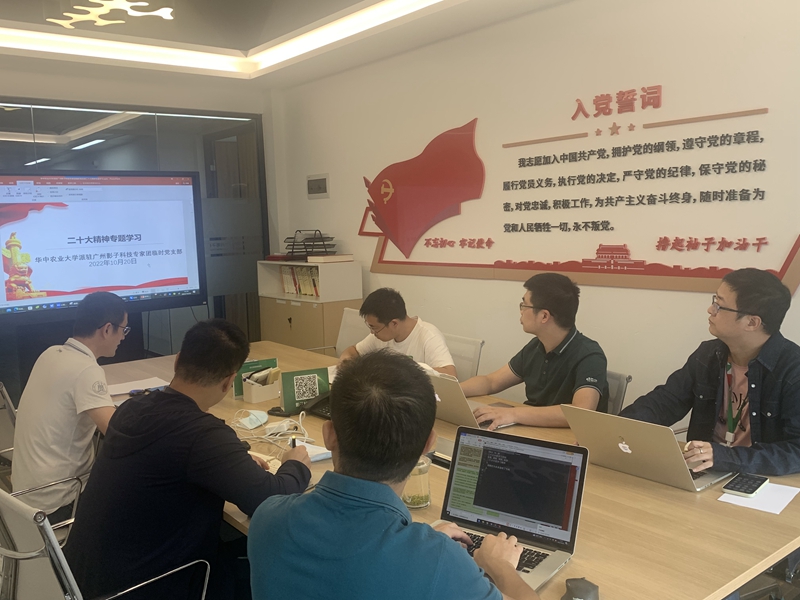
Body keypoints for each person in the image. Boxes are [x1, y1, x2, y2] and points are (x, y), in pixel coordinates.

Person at [248, 350, 539, 600]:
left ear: (328, 435)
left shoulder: (268, 518)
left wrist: (423, 547)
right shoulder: (440, 563)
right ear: (428, 445)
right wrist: (500, 566)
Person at [64, 319, 312, 600]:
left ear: (177, 360)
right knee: (267, 565)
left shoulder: (132, 408)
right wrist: (295, 464)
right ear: (229, 381)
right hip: (148, 586)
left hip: (88, 579)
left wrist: (231, 461)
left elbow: (173, 456)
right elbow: (269, 499)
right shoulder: (202, 435)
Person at [620, 268, 800, 476]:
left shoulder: (793, 370)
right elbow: (664, 403)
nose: (710, 309)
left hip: (758, 478)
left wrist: (726, 457)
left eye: (719, 305)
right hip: (704, 470)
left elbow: (796, 451)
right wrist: (618, 429)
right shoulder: (709, 354)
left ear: (752, 322)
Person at [12, 291, 127, 520]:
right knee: (133, 485)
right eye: (124, 329)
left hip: (23, 496)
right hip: (58, 502)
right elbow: (119, 433)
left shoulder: (50, 353)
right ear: (107, 329)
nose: (123, 337)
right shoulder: (87, 370)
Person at [461, 273, 609, 429]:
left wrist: (513, 414)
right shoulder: (536, 346)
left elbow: (581, 412)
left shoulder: (590, 355)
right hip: (532, 430)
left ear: (544, 316)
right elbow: (491, 382)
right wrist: (452, 391)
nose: (521, 311)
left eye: (524, 305)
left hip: (565, 440)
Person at [338, 287, 457, 377]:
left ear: (394, 323)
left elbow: (450, 374)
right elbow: (353, 351)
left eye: (374, 328)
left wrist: (404, 370)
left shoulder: (428, 336)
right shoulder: (379, 335)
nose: (372, 332)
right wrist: (346, 359)